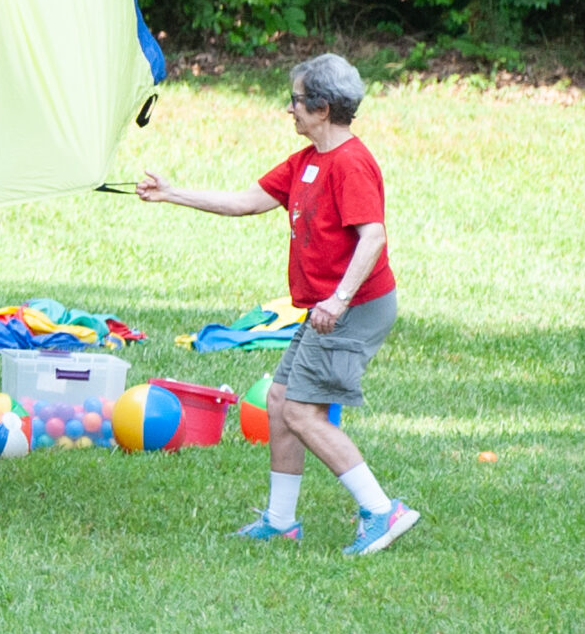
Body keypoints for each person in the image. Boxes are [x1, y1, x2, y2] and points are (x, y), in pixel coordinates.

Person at [136, 52, 419, 555]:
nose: (289, 110)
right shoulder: (306, 162)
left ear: (323, 109)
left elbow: (372, 238)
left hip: (355, 307)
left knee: (305, 413)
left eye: (296, 101)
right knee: (279, 401)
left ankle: (382, 510)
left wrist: (337, 299)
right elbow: (244, 202)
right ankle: (281, 521)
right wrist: (171, 194)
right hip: (329, 308)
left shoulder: (350, 164)